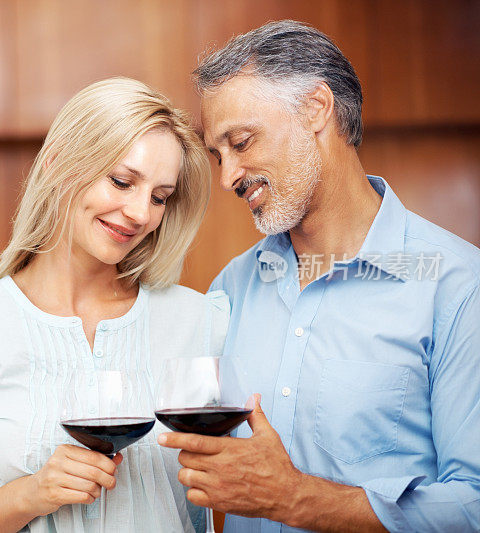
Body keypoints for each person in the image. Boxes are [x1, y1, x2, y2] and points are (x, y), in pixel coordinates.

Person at [158, 20, 480, 532]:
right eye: (217, 154)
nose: (227, 177)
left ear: (316, 109)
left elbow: (474, 505)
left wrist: (295, 499)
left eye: (241, 142)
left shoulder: (458, 287)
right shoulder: (231, 290)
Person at [0, 77, 229, 532]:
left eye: (159, 197)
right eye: (121, 181)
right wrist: (30, 495)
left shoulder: (201, 323)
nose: (140, 214)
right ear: (57, 165)